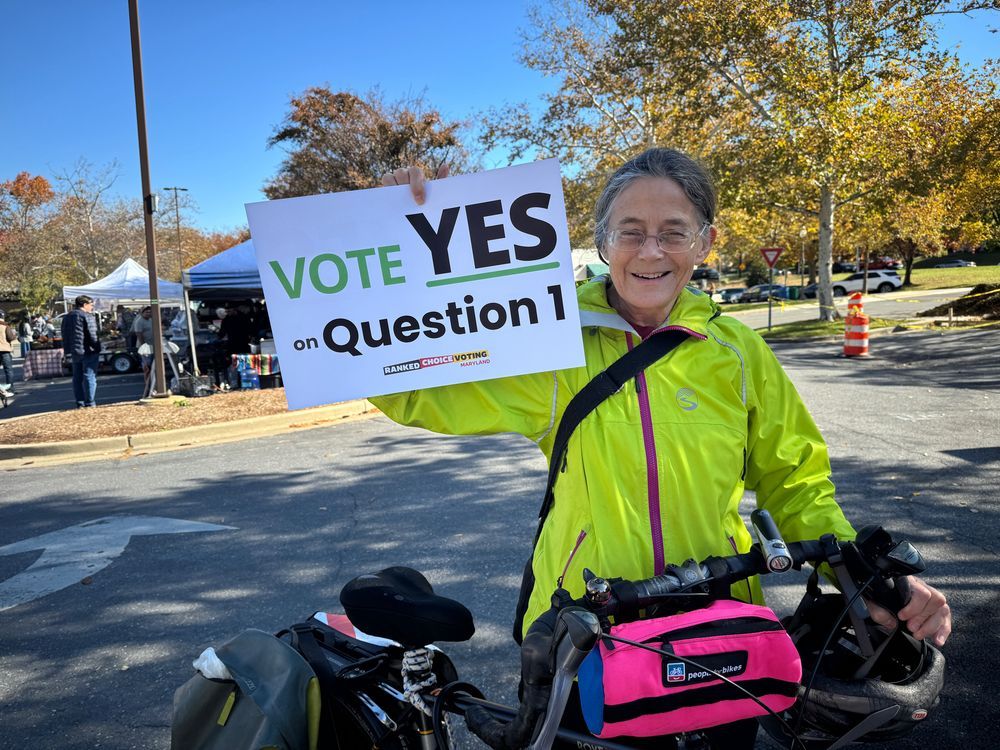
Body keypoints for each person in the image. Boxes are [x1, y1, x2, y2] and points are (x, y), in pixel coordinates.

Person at [370, 151, 951, 746]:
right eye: (630, 232)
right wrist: (395, 232)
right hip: (583, 637)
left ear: (706, 243)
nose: (651, 252)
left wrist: (865, 580)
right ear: (603, 241)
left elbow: (795, 481)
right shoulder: (549, 342)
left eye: (674, 232)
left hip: (717, 636)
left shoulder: (737, 352)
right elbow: (408, 390)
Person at [61, 295, 102, 408]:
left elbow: (64, 334)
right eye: (91, 305)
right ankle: (90, 402)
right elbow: (93, 335)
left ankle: (80, 402)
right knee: (89, 376)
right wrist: (97, 347)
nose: (92, 307)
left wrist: (67, 350)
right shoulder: (87, 316)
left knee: (77, 378)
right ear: (84, 305)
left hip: (75, 350)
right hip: (88, 350)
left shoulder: (67, 317)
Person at [131, 305, 155, 385]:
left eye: (150, 312)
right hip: (145, 347)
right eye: (146, 312)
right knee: (147, 366)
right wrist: (144, 345)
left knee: (152, 365)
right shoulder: (139, 321)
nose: (148, 313)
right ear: (142, 313)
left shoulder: (151, 320)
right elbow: (138, 334)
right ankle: (147, 383)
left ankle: (153, 382)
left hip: (152, 345)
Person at [0, 311, 18, 393]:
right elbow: (10, 337)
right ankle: (10, 389)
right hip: (5, 350)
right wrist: (14, 336)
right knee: (8, 370)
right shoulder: (5, 326)